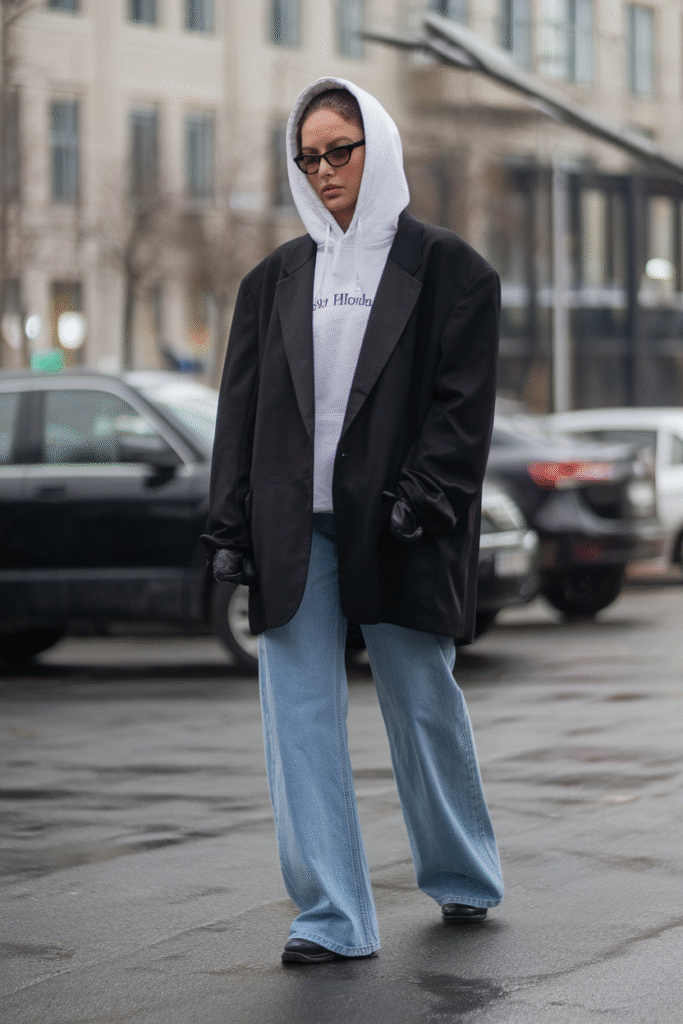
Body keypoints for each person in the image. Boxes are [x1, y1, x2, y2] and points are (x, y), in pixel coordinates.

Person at [202, 77, 504, 965]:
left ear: (379, 145)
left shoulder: (451, 270)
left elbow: (461, 409)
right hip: (293, 530)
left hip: (400, 522)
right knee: (295, 721)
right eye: (308, 158)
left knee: (421, 703)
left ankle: (462, 873)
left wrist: (423, 497)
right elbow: (240, 413)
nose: (324, 170)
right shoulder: (273, 280)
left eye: (340, 149)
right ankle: (329, 917)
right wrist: (229, 527)